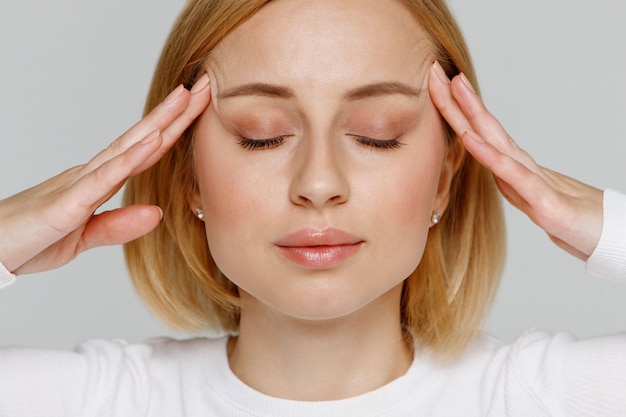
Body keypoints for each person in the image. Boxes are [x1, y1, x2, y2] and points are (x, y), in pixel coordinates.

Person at [0, 0, 624, 415]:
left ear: (445, 177)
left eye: (378, 134)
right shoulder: (99, 403)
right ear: (186, 173)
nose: (318, 182)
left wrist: (595, 221)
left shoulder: (541, 397)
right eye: (261, 134)